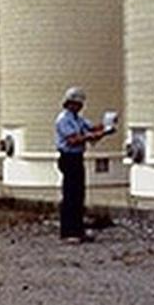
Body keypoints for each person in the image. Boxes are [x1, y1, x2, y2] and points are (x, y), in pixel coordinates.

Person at [54, 86, 108, 243]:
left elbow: (91, 128)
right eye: (77, 103)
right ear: (69, 103)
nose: (79, 106)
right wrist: (92, 136)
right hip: (68, 158)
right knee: (70, 195)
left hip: (77, 157)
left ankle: (78, 230)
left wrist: (105, 126)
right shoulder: (64, 119)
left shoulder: (77, 119)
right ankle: (68, 232)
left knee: (78, 195)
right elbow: (73, 140)